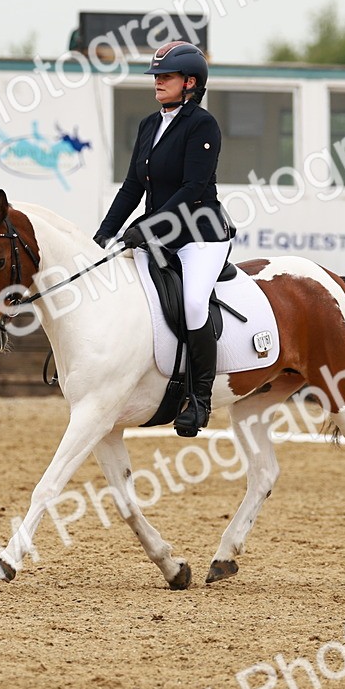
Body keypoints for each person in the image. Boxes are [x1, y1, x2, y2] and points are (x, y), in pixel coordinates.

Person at [93, 41, 235, 437]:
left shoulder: (202, 125)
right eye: (156, 76)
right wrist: (105, 232)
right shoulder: (149, 125)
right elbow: (132, 186)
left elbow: (193, 188)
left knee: (192, 304)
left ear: (190, 83)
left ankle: (200, 397)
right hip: (159, 235)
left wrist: (149, 226)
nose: (158, 82)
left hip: (200, 237)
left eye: (166, 77)